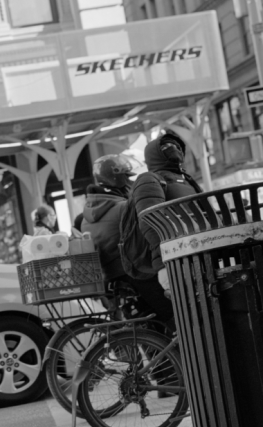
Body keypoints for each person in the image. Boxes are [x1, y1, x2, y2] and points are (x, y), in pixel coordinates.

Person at [80, 153, 174, 328]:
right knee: (175, 310)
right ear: (118, 179)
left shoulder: (85, 218)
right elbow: (146, 238)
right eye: (127, 177)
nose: (130, 181)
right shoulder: (123, 208)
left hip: (112, 279)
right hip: (136, 274)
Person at [131, 130, 208, 287]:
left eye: (176, 146)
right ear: (154, 154)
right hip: (173, 260)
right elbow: (150, 222)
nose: (173, 149)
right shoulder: (149, 179)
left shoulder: (187, 180)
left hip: (199, 251)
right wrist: (166, 257)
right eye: (166, 146)